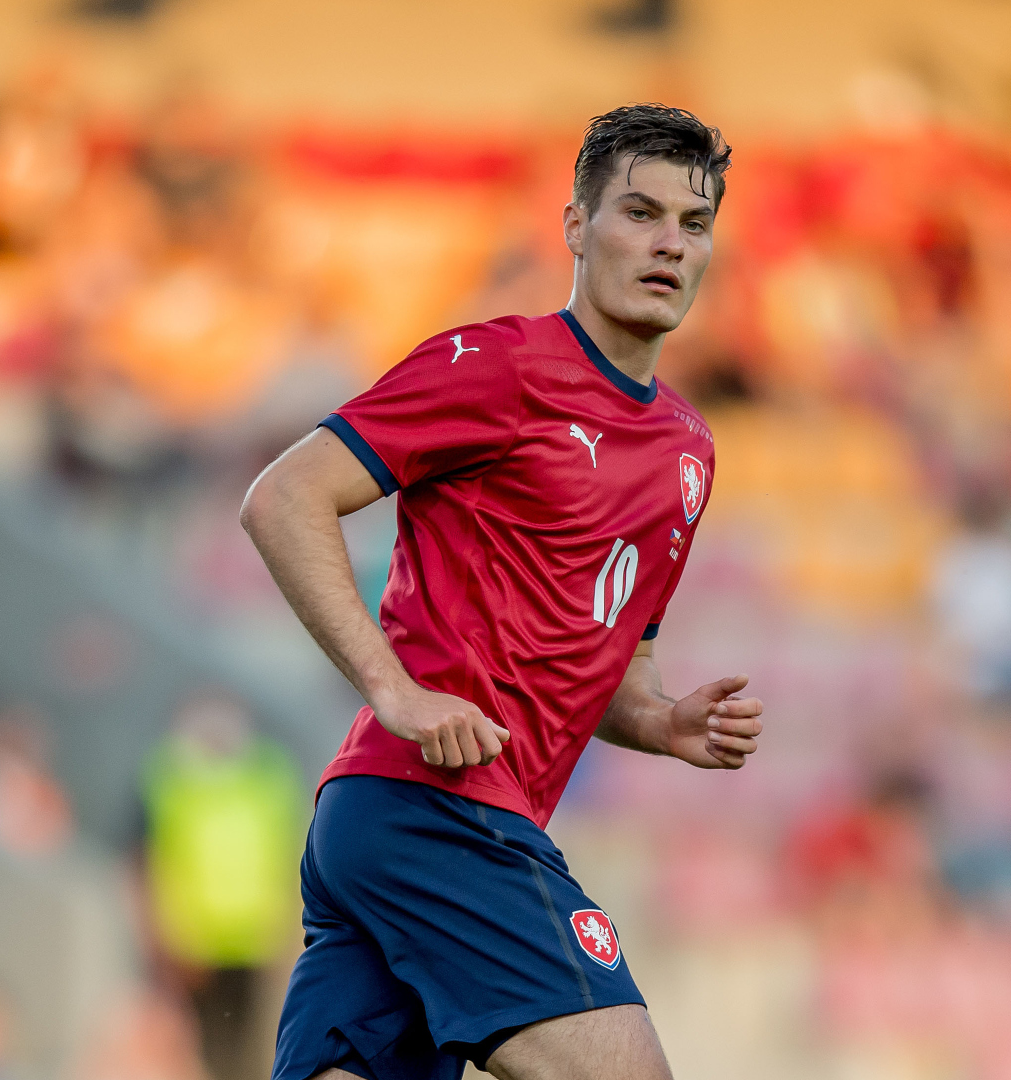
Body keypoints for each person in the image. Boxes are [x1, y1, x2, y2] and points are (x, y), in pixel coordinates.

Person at [239, 105, 764, 1080]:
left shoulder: (689, 450)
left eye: (693, 225)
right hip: (436, 808)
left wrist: (662, 722)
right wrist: (394, 689)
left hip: (395, 827)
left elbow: (616, 667)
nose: (668, 244)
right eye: (640, 212)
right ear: (575, 226)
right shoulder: (498, 367)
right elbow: (284, 497)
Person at [137, 692, 303, 1080]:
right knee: (195, 1051)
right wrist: (161, 937)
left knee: (247, 1053)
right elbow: (147, 861)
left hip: (254, 944)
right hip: (191, 946)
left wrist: (291, 935)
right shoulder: (167, 775)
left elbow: (289, 856)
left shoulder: (271, 774)